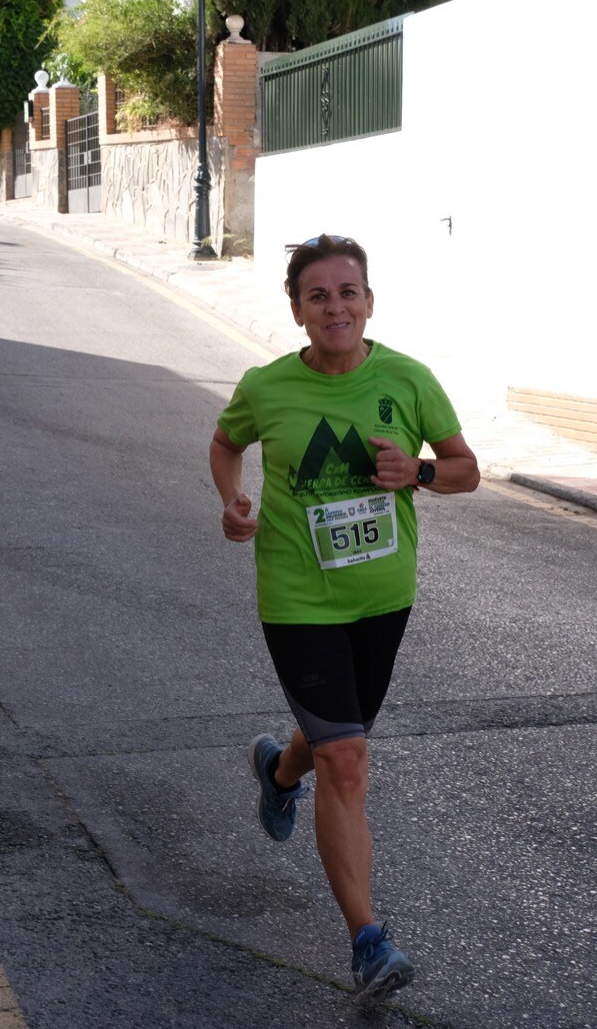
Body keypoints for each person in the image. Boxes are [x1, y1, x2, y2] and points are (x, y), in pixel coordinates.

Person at [209, 233, 479, 1008]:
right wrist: (231, 501)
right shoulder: (267, 387)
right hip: (298, 599)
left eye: (348, 292)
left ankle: (277, 770)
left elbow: (466, 470)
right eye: (319, 295)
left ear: (369, 301)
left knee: (335, 740)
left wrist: (419, 471)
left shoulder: (407, 378)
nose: (337, 307)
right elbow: (225, 444)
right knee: (350, 759)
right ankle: (368, 941)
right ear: (297, 311)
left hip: (382, 600)